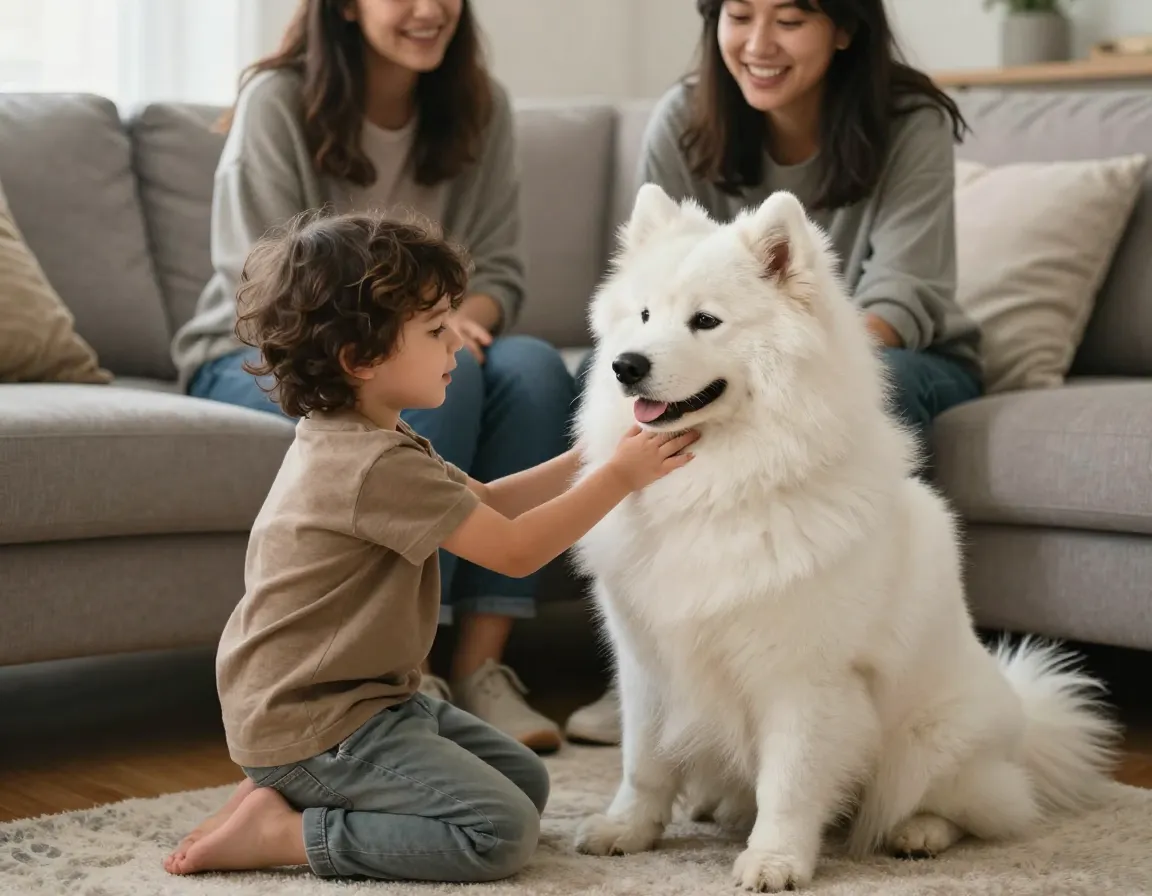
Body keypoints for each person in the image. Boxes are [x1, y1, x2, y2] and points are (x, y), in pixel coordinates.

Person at [162, 211, 698, 881]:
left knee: (524, 783)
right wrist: (621, 477)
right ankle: (287, 831)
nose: (457, 346)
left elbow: (492, 502)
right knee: (496, 832)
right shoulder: (370, 467)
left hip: (363, 704)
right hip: (318, 722)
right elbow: (515, 549)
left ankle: (285, 792)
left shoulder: (374, 438)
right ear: (361, 359)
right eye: (436, 331)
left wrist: (591, 455)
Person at [564, 0, 984, 747]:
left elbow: (906, 292)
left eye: (790, 19)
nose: (759, 43)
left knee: (886, 392)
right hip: (714, 354)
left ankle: (842, 651)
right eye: (740, 15)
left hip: (892, 353)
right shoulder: (685, 118)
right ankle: (661, 671)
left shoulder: (908, 118)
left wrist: (807, 354)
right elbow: (653, 280)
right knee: (614, 385)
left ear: (844, 28)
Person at [171, 0, 578, 751]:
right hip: (273, 347)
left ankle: (483, 666)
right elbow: (266, 284)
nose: (430, 10)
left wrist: (454, 323)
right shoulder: (277, 101)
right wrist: (413, 338)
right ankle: (408, 677)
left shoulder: (481, 108)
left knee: (535, 368)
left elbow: (501, 271)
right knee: (424, 395)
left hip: (434, 328)